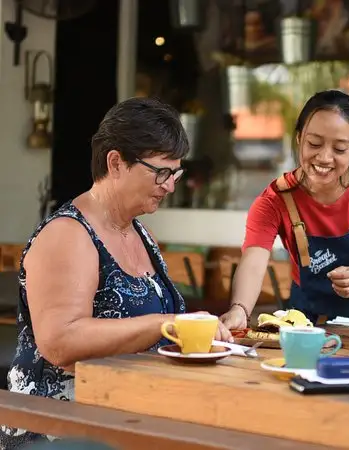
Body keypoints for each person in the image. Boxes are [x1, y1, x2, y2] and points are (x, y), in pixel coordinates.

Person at [0, 97, 232, 448]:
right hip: (63, 431)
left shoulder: (139, 232)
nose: (170, 186)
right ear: (116, 162)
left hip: (127, 416)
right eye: (161, 172)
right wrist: (165, 324)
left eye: (176, 174)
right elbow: (60, 342)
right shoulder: (68, 233)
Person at [220, 90, 349, 330]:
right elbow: (254, 262)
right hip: (304, 323)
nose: (325, 157)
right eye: (314, 143)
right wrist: (240, 309)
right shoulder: (274, 200)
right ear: (299, 138)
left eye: (339, 149)